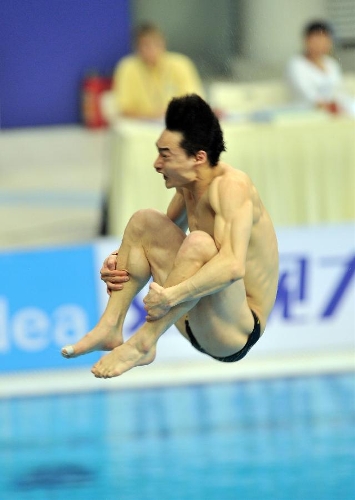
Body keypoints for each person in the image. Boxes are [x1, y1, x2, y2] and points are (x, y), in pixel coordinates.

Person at [61, 94, 279, 378]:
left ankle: (144, 341)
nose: (156, 164)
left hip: (235, 330)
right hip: (188, 316)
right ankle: (110, 326)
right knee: (144, 221)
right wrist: (118, 260)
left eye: (166, 155)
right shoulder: (188, 186)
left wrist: (171, 296)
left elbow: (233, 266)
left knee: (200, 243)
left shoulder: (231, 187)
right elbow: (149, 244)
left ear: (198, 157)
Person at [112, 22, 204, 119]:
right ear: (137, 47)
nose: (152, 49)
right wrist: (155, 115)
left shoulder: (180, 64)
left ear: (164, 43)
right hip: (140, 124)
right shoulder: (128, 68)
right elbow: (124, 109)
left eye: (156, 43)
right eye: (146, 45)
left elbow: (194, 102)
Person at [286, 20, 351, 114]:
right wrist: (326, 105)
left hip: (335, 110)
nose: (320, 44)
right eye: (316, 39)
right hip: (308, 111)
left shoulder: (331, 63)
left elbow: (339, 90)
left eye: (324, 39)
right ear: (306, 40)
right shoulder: (296, 65)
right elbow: (306, 93)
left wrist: (338, 104)